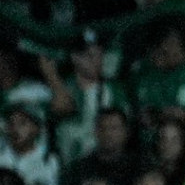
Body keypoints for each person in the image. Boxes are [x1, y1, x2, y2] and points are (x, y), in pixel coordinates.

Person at [45, 31, 129, 166]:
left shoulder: (114, 89)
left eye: (100, 55)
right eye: (90, 56)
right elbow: (60, 108)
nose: (97, 61)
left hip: (105, 160)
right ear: (75, 58)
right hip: (69, 163)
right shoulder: (64, 88)